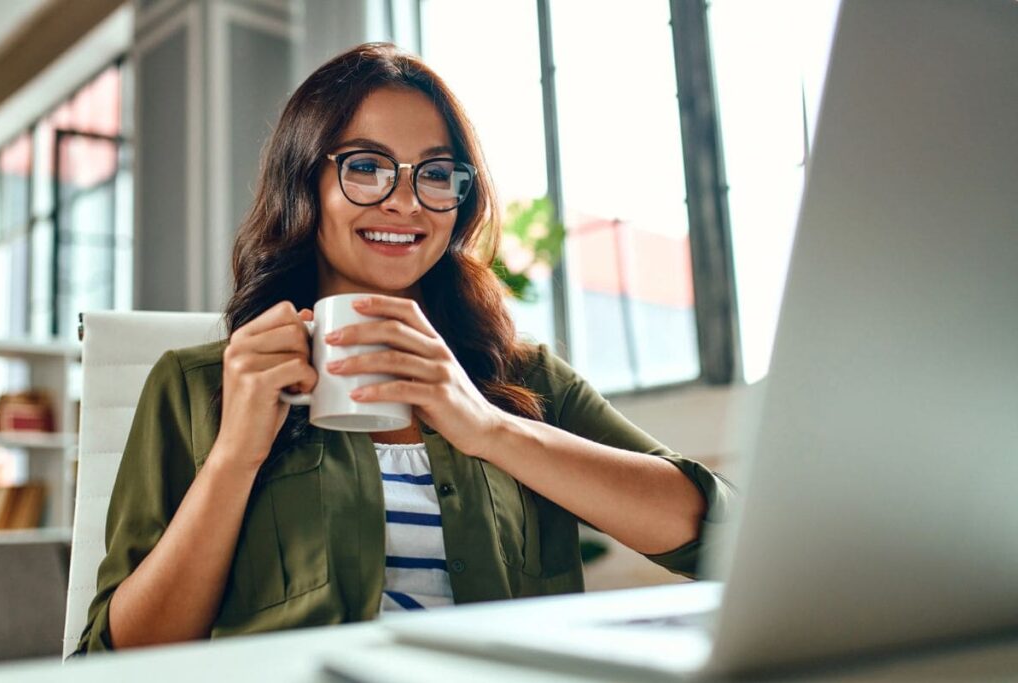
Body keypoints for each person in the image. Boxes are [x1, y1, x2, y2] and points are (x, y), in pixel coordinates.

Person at [74, 42, 734, 654]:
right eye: (366, 167)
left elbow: (718, 535)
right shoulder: (196, 384)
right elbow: (118, 654)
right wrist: (234, 457)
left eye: (436, 174)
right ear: (304, 182)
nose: (406, 203)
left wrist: (489, 428)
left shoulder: (526, 379)